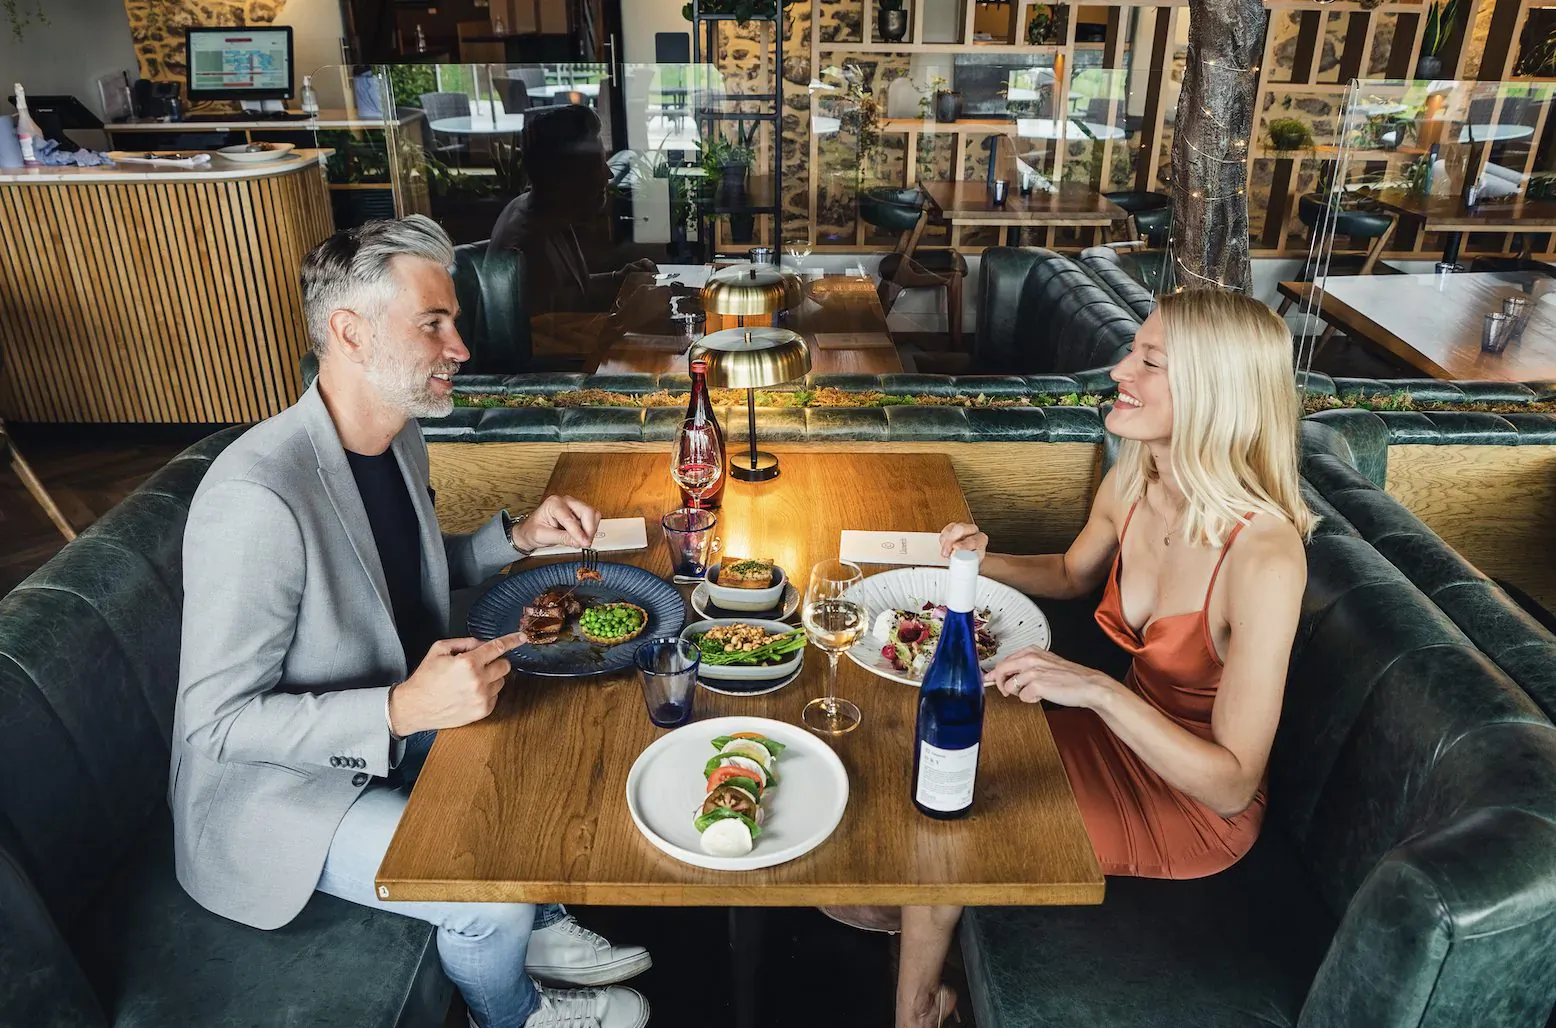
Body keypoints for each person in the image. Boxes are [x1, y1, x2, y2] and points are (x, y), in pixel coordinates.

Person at [171, 215, 651, 1028]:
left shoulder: (397, 441)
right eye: (434, 324)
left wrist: (516, 538)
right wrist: (400, 711)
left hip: (389, 725)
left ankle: (535, 926)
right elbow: (212, 724)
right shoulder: (255, 496)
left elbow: (400, 580)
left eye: (453, 322)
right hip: (280, 795)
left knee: (534, 726)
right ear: (350, 333)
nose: (460, 347)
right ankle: (518, 1009)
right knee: (483, 895)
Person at [836, 288, 1315, 1027]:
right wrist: (977, 562)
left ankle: (919, 1010)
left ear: (1216, 389)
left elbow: (1229, 785)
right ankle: (924, 930)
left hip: (1186, 803)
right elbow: (1069, 574)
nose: (1120, 369)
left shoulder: (1266, 556)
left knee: (944, 828)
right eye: (1133, 350)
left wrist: (1093, 689)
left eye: (1149, 361)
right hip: (1113, 733)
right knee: (924, 746)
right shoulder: (1139, 473)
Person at [490, 103, 656, 315]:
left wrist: (619, 278)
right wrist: (640, 311)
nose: (609, 174)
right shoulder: (528, 248)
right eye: (598, 163)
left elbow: (570, 293)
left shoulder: (546, 212)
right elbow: (556, 339)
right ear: (566, 174)